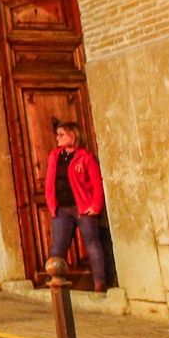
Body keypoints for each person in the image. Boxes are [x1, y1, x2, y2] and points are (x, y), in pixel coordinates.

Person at [45, 121, 111, 293]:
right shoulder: (54, 156)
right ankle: (55, 283)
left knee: (92, 243)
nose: (58, 138)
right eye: (57, 134)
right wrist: (52, 204)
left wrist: (95, 206)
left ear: (73, 136)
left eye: (62, 134)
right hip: (61, 208)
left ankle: (99, 283)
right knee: (58, 246)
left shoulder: (85, 157)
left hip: (82, 207)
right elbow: (49, 182)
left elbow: (97, 184)